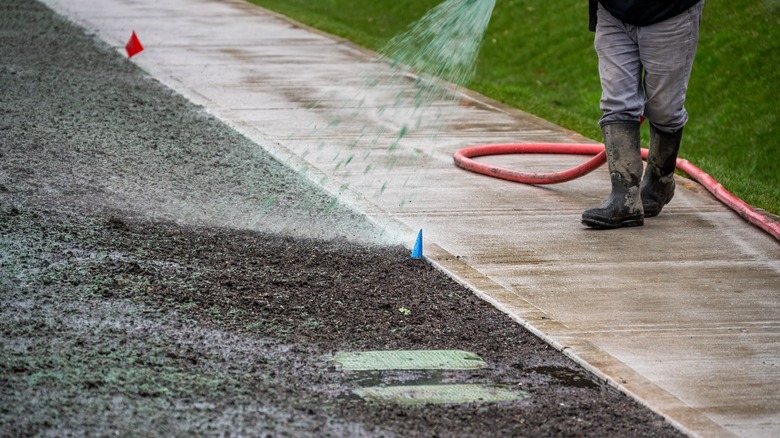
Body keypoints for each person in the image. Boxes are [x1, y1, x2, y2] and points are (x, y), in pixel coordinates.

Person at [582, 0, 705, 229]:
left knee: (663, 109)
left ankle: (660, 180)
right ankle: (625, 198)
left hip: (668, 13)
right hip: (612, 10)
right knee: (616, 101)